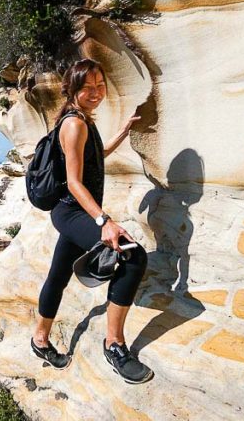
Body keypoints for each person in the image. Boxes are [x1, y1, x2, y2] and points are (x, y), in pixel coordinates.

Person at [29, 58, 152, 384]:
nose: (96, 92)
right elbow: (73, 182)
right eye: (88, 87)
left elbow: (93, 158)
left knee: (58, 274)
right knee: (132, 255)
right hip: (72, 211)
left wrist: (123, 133)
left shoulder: (82, 121)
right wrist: (103, 221)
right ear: (72, 89)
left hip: (74, 212)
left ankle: (39, 340)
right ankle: (114, 345)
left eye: (100, 86)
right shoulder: (74, 124)